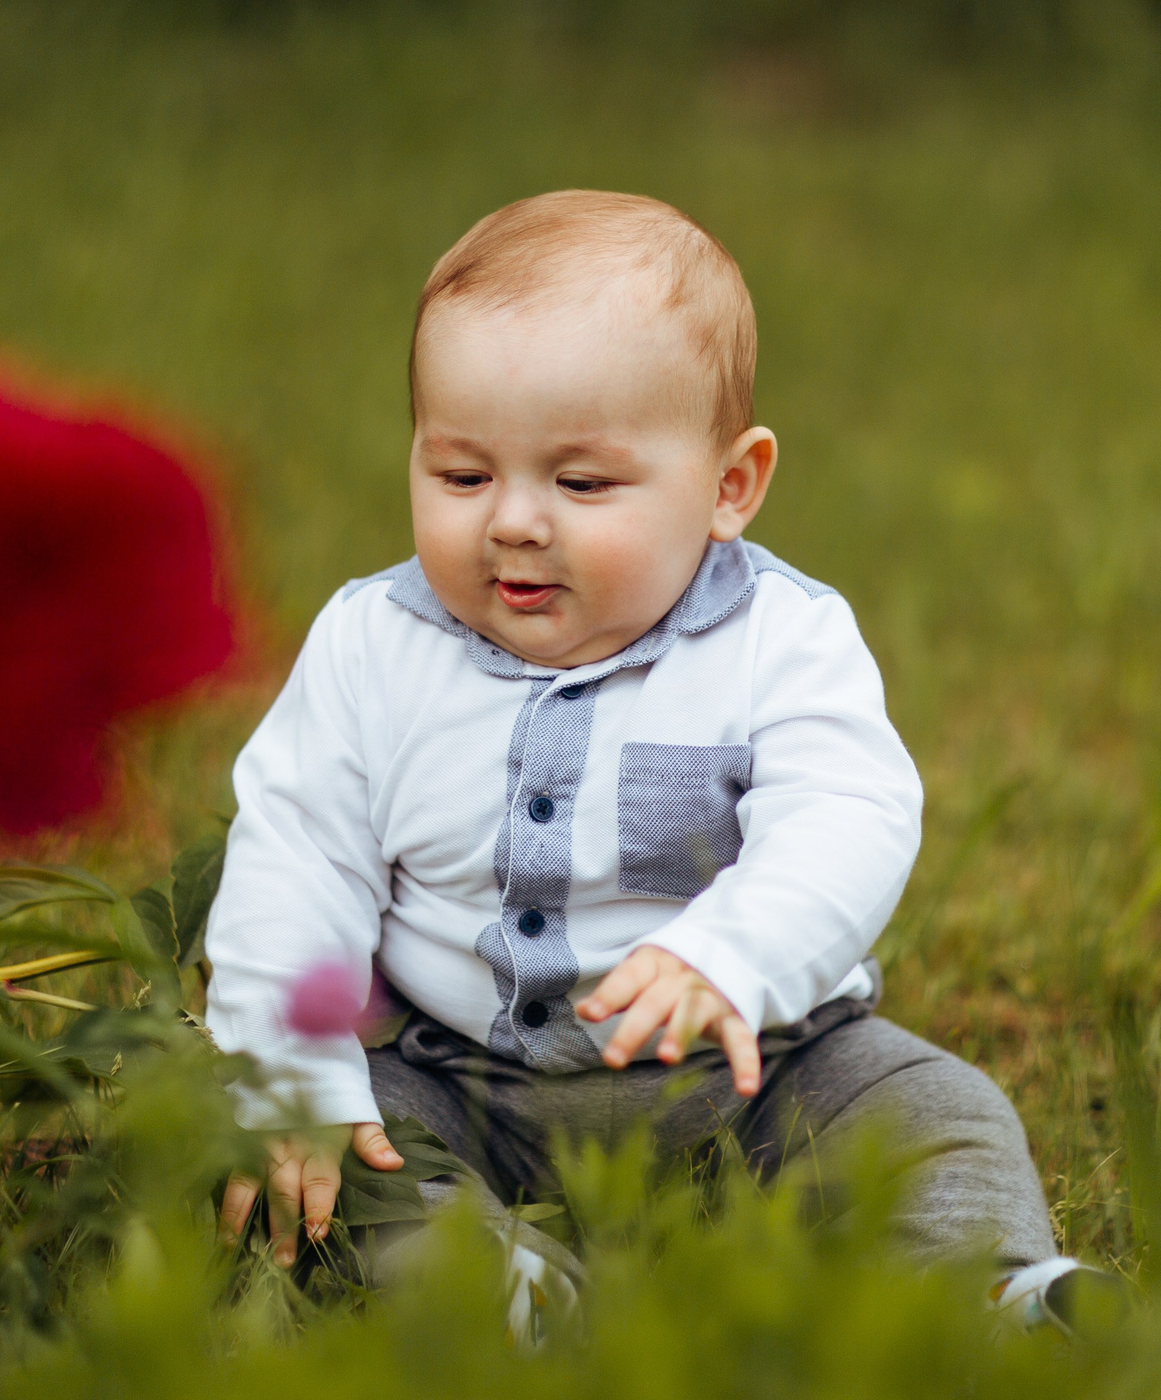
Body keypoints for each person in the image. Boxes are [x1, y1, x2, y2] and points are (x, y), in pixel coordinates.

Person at [204, 189, 1095, 1329]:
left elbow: (847, 814)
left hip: (760, 1066)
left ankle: (987, 1295)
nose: (513, 521)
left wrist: (732, 954)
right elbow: (297, 856)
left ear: (730, 487)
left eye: (581, 483)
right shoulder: (374, 648)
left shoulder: (779, 639)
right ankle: (496, 1295)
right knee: (360, 1155)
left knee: (930, 1109)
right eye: (462, 476)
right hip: (465, 1074)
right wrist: (291, 1071)